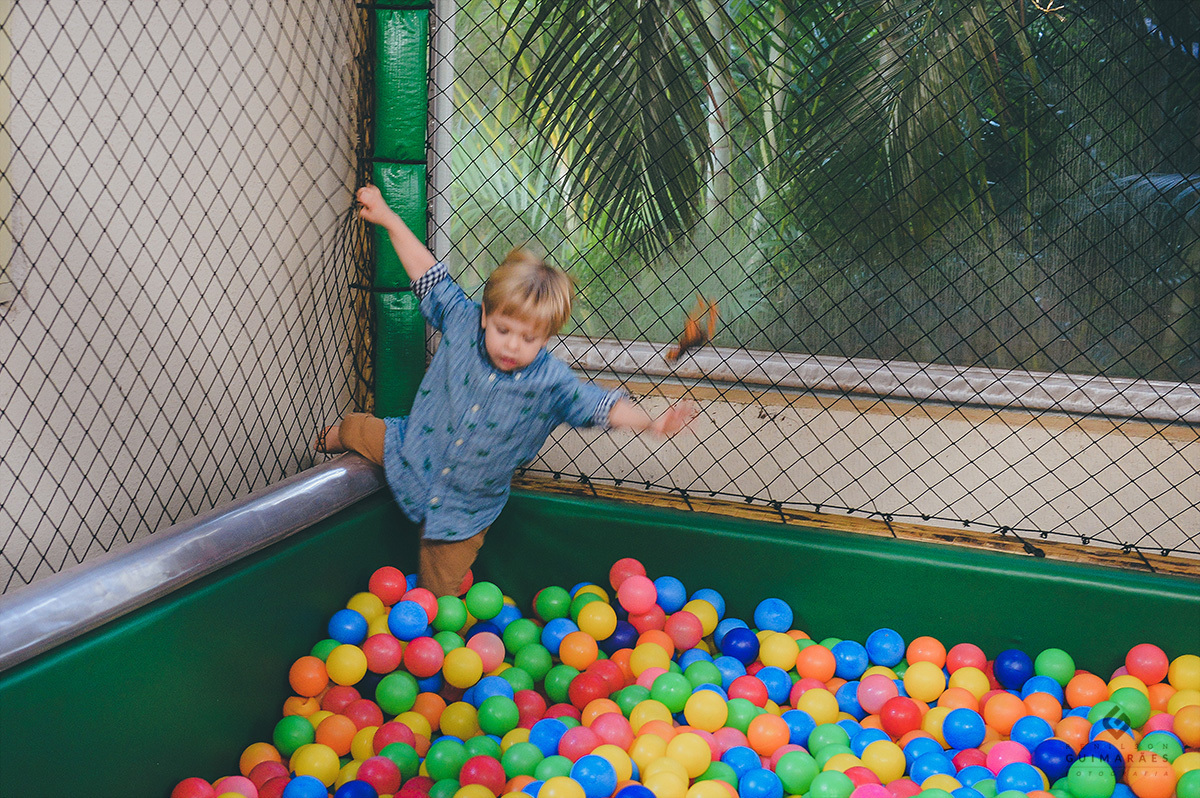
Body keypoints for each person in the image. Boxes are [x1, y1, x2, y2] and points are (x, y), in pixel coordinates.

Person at [317, 185, 697, 596]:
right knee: (359, 431)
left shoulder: (551, 382)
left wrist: (650, 421)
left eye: (529, 338)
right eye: (504, 330)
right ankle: (330, 438)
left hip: (467, 507)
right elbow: (425, 272)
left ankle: (436, 632)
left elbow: (600, 405)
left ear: (547, 338)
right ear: (485, 316)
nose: (513, 345)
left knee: (438, 592)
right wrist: (388, 217)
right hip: (411, 449)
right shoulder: (462, 320)